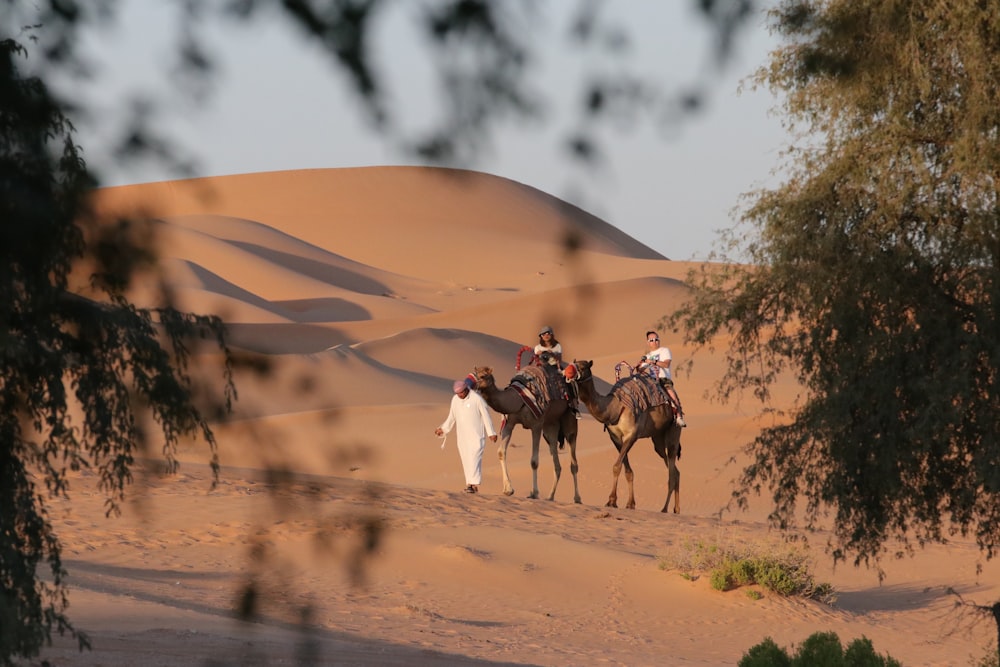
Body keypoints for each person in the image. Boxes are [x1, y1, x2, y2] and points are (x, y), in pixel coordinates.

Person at [434, 379, 498, 493]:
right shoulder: (455, 400)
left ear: (466, 389)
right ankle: (470, 485)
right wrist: (443, 429)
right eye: (458, 393)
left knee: (474, 458)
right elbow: (451, 417)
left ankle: (473, 484)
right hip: (462, 436)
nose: (460, 395)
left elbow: (486, 416)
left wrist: (491, 433)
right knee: (466, 460)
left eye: (461, 393)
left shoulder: (477, 399)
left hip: (476, 435)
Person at [638, 330, 687, 427]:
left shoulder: (665, 350)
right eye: (651, 340)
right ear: (648, 342)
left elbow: (666, 364)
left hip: (663, 380)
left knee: (672, 396)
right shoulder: (647, 356)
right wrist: (641, 365)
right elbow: (640, 369)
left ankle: (679, 416)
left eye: (656, 339)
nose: (654, 341)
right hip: (651, 381)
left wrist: (653, 362)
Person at [534, 325, 580, 417]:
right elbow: (536, 361)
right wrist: (539, 355)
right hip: (542, 369)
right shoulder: (537, 348)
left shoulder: (557, 346)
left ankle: (574, 407)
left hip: (555, 368)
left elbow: (559, 359)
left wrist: (553, 354)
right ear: (541, 336)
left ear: (552, 335)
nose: (546, 335)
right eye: (544, 334)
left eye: (548, 333)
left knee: (570, 382)